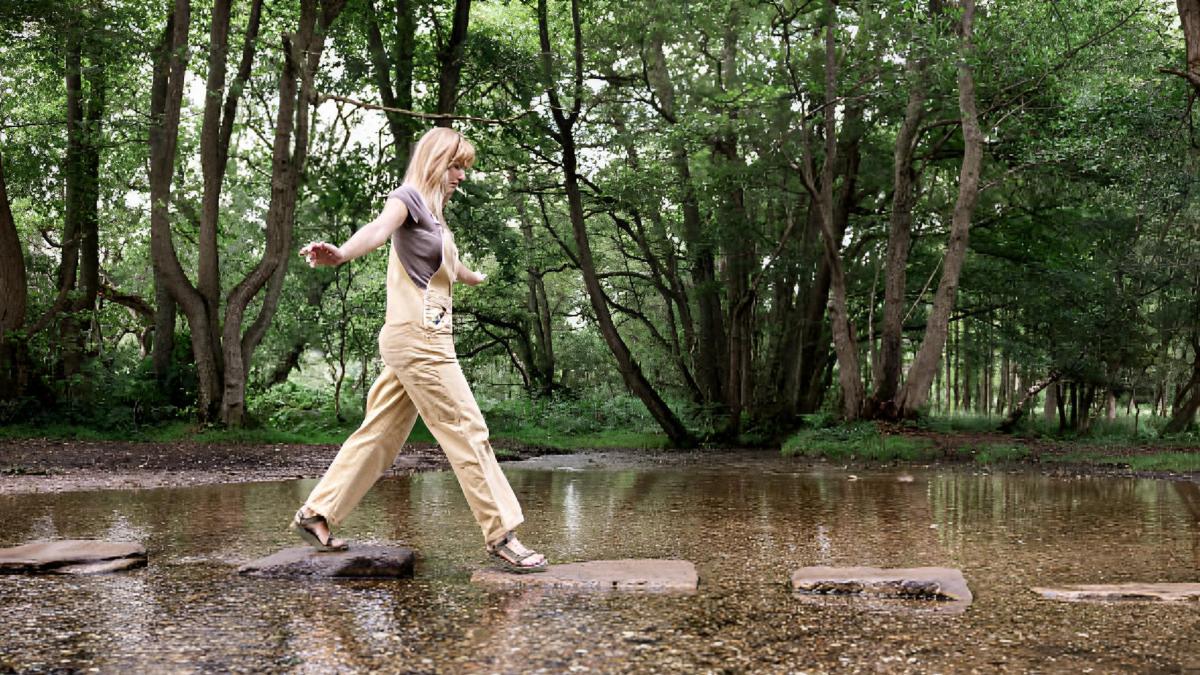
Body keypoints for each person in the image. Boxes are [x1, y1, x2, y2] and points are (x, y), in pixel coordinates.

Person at [292, 127, 547, 573]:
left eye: (464, 167)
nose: (461, 176)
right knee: (468, 429)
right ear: (433, 161)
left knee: (380, 435)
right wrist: (341, 253)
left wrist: (473, 277)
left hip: (420, 339)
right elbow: (377, 230)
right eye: (455, 166)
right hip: (419, 341)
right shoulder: (407, 198)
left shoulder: (436, 215)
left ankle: (317, 512)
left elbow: (446, 263)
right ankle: (502, 534)